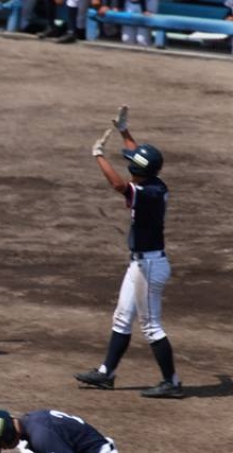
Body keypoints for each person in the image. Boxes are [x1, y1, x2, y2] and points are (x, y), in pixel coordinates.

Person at [74, 105, 183, 399]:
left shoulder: (146, 193)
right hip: (141, 265)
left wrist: (98, 155)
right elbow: (139, 158)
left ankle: (172, 382)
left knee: (151, 326)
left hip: (149, 267)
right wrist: (124, 131)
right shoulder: (153, 182)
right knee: (122, 317)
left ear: (139, 172)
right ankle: (106, 373)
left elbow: (117, 184)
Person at [0, 407, 118, 453]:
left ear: (7, 434)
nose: (4, 449)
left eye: (1, 445)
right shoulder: (30, 422)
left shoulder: (42, 437)